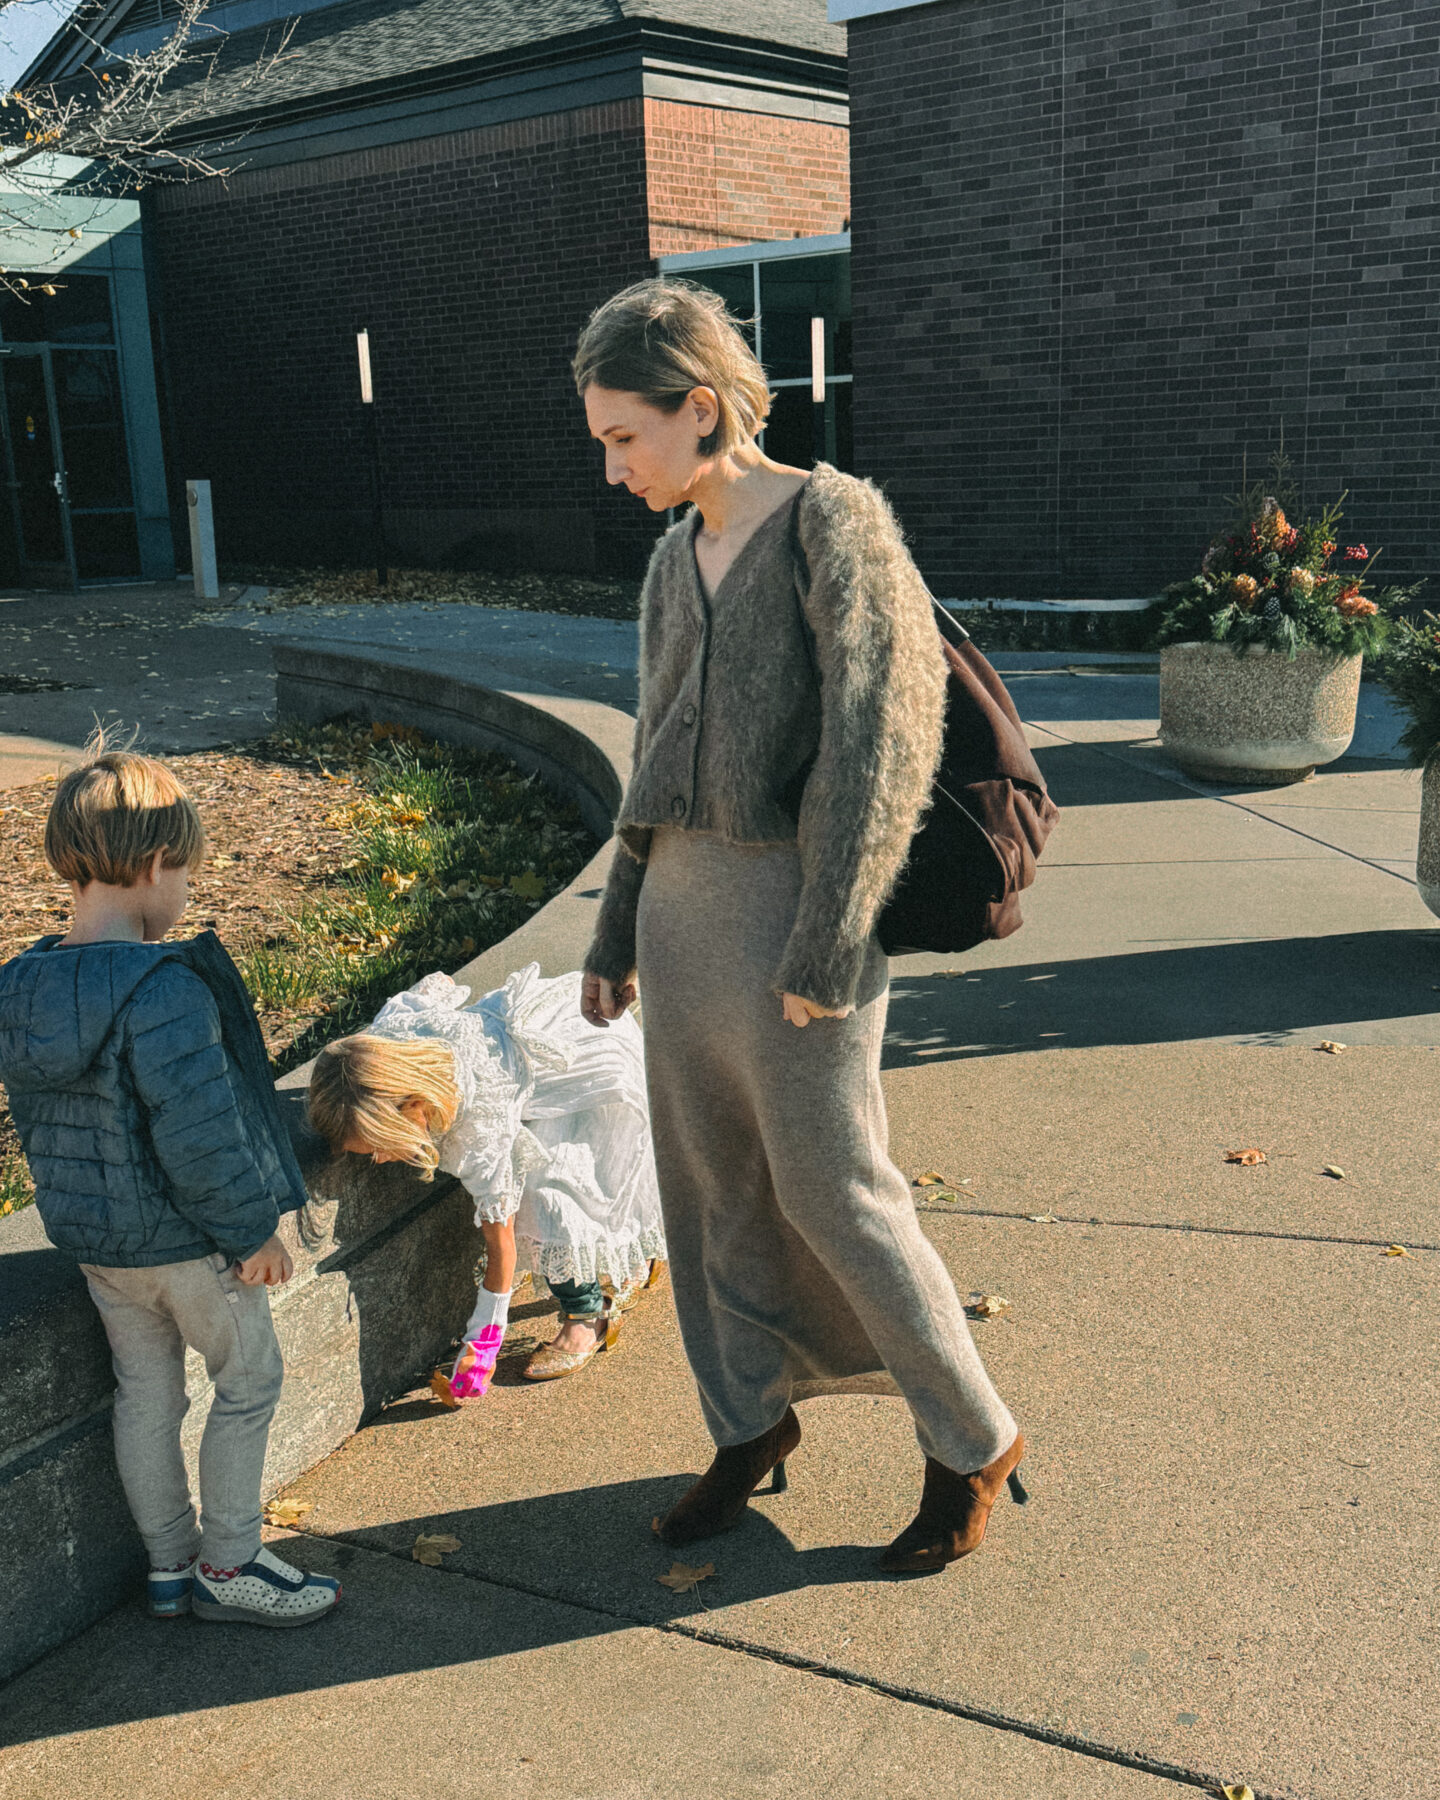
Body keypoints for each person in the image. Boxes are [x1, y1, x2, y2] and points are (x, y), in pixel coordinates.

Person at [574, 279, 1026, 1573]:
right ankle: (748, 1423)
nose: (613, 468)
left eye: (624, 437)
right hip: (679, 916)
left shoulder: (836, 524)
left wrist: (830, 941)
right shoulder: (674, 559)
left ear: (699, 408)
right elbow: (655, 760)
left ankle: (971, 1437)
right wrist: (613, 936)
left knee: (839, 1190)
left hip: (797, 915)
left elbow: (885, 744)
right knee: (712, 1189)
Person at [0, 748, 340, 1626]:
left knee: (147, 1394)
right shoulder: (164, 990)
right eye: (185, 871)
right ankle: (229, 1562)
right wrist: (253, 1233)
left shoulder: (21, 985)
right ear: (155, 863)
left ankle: (167, 1564)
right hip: (191, 1244)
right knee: (248, 1380)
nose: (186, 892)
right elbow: (201, 1138)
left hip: (98, 1248)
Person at [308, 964, 665, 1394]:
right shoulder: (393, 1043)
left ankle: (587, 1311)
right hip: (541, 1036)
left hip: (587, 1065)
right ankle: (636, 1262)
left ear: (416, 1105)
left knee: (550, 1197)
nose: (381, 1160)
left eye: (383, 1146)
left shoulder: (479, 1130)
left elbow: (502, 1248)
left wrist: (484, 1341)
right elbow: (430, 987)